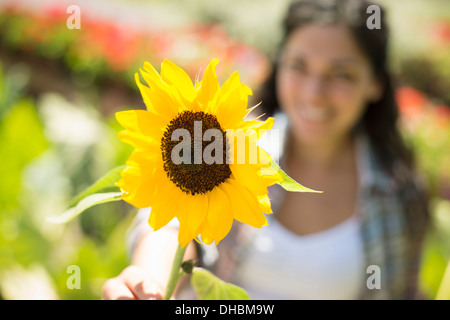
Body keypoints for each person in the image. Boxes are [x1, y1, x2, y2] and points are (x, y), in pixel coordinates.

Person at [102, 0, 429, 300]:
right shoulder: (236, 143)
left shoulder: (398, 193)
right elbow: (173, 226)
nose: (314, 93)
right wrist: (149, 283)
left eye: (341, 74)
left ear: (375, 84)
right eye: (299, 66)